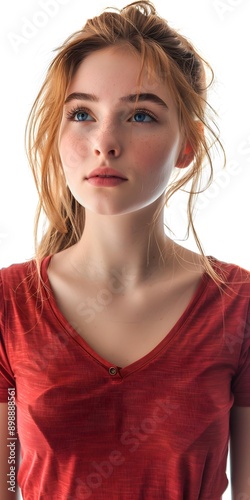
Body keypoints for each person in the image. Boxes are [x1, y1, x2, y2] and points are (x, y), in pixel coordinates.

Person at [0, 1, 249, 498]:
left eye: (140, 114)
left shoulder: (239, 305)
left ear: (187, 146)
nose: (105, 142)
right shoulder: (8, 305)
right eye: (82, 113)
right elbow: (6, 479)